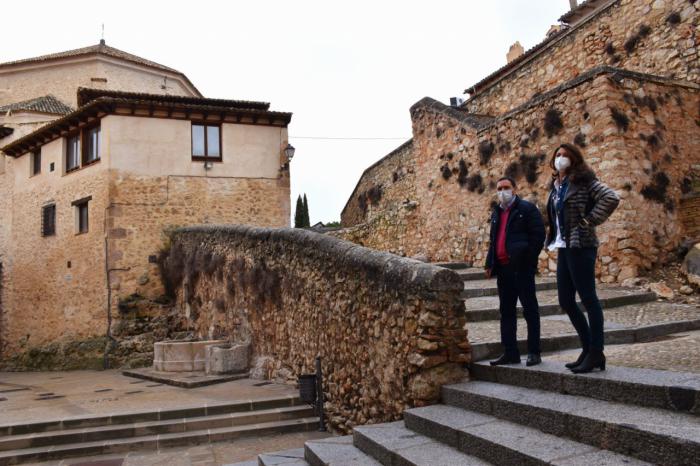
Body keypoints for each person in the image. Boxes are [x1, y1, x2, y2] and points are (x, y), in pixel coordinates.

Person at [546, 143, 619, 373]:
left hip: (581, 246)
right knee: (565, 300)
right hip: (564, 247)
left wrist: (588, 221)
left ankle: (596, 352)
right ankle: (588, 349)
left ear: (574, 159)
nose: (560, 158)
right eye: (558, 155)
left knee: (589, 299)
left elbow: (611, 197)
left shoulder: (584, 181)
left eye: (565, 155)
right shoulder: (556, 185)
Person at [485, 176, 545, 366]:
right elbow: (493, 241)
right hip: (503, 270)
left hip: (522, 268)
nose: (502, 191)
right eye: (499, 188)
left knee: (530, 309)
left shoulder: (526, 209)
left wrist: (528, 259)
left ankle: (534, 352)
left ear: (515, 189)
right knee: (506, 311)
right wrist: (490, 263)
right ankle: (510, 352)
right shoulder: (496, 213)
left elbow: (538, 234)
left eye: (506, 187)